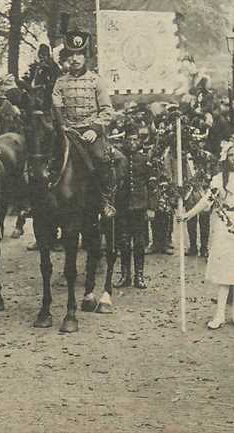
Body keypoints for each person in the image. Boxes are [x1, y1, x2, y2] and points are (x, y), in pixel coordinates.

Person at [180, 142, 234, 328]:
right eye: (231, 155)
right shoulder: (219, 179)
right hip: (225, 225)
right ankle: (219, 314)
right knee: (225, 270)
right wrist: (188, 215)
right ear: (225, 158)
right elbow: (208, 199)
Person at [51, 30, 116, 217]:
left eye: (79, 54)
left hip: (90, 132)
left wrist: (95, 129)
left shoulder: (97, 81)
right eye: (71, 55)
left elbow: (107, 110)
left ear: (85, 57)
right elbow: (57, 107)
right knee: (49, 159)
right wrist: (62, 125)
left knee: (100, 158)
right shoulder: (60, 82)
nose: (75, 59)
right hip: (68, 132)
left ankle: (106, 199)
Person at [114, 123, 157, 289]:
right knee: (123, 242)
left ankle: (139, 276)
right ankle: (125, 275)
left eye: (135, 139)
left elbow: (152, 185)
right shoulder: (118, 159)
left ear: (139, 141)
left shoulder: (144, 160)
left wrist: (151, 207)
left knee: (139, 243)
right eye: (129, 139)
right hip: (122, 207)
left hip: (139, 207)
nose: (132, 142)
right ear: (124, 141)